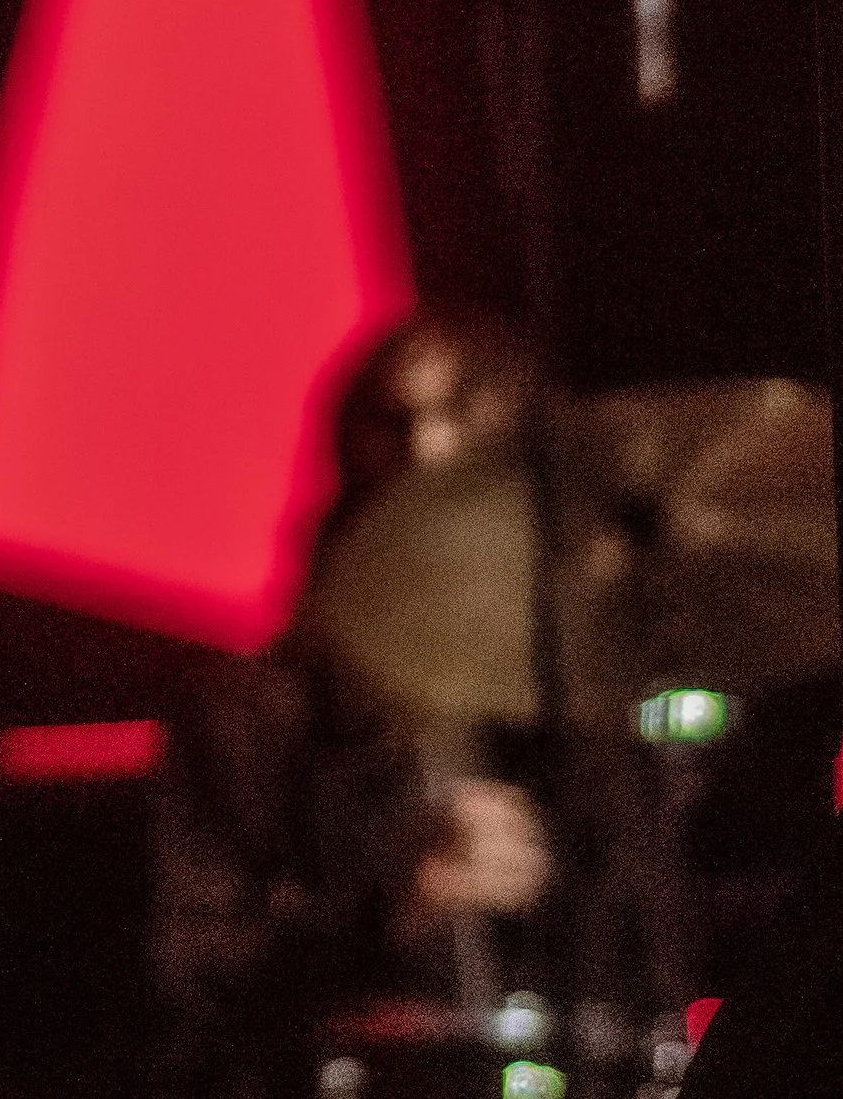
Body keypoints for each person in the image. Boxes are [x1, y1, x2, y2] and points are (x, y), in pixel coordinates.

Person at [149, 314, 558, 1097]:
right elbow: (192, 975)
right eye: (394, 422)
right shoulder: (251, 710)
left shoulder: (574, 717)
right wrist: (390, 906)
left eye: (459, 418)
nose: (426, 452)